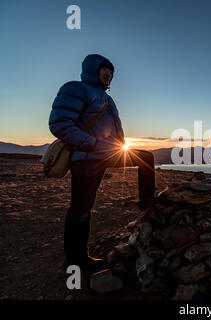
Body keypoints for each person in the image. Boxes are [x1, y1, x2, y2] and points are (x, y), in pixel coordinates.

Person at [48, 54, 156, 271]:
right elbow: (59, 123)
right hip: (87, 158)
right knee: (81, 208)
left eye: (112, 73)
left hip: (107, 154)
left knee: (146, 157)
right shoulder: (75, 88)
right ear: (92, 70)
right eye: (104, 70)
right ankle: (75, 259)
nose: (109, 75)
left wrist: (120, 145)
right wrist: (91, 143)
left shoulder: (108, 98)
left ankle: (147, 202)